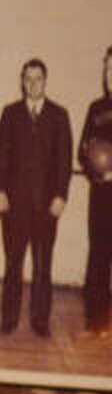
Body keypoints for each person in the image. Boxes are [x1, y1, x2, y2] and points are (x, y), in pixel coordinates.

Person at [0, 58, 72, 338]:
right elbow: (1, 158)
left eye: (37, 78)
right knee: (13, 264)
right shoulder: (10, 113)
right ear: (22, 81)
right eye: (27, 78)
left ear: (45, 81)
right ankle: (9, 318)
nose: (32, 83)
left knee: (43, 265)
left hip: (46, 206)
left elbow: (64, 161)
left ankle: (40, 320)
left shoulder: (59, 115)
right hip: (14, 205)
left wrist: (61, 195)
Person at [78, 47, 112, 339]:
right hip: (101, 194)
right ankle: (96, 321)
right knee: (98, 256)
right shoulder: (95, 108)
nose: (110, 75)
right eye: (108, 69)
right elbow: (83, 151)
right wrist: (95, 169)